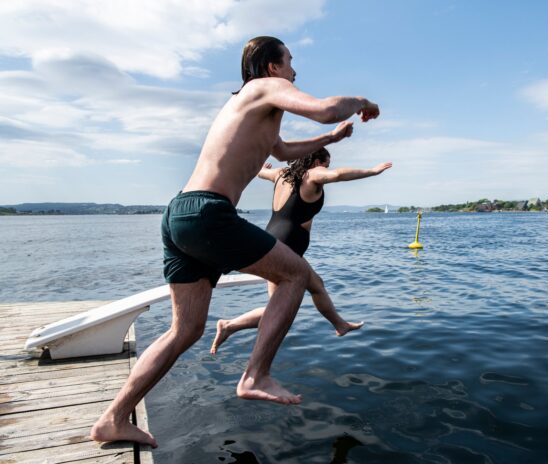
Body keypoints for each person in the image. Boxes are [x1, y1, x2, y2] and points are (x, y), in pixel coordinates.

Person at [90, 35, 379, 448]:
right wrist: (364, 101)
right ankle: (256, 374)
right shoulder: (263, 87)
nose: (295, 72)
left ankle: (113, 418)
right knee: (296, 276)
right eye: (290, 63)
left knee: (185, 329)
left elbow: (281, 151)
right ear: (271, 66)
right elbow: (325, 109)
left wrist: (329, 141)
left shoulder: (252, 109)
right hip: (209, 212)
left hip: (181, 214)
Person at [210, 149, 391, 354]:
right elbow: (338, 175)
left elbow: (259, 172)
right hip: (287, 245)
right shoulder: (312, 175)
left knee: (313, 287)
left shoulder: (281, 174)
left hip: (273, 241)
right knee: (281, 308)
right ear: (315, 162)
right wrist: (372, 171)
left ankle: (339, 324)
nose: (327, 169)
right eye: (325, 164)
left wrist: (262, 168)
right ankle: (231, 328)